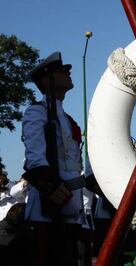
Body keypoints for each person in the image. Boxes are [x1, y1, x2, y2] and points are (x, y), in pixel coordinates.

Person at [22, 52, 85, 266]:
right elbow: (35, 162)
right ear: (46, 80)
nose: (68, 73)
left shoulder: (67, 119)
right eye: (62, 71)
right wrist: (59, 196)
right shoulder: (36, 112)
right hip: (47, 213)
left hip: (72, 211)